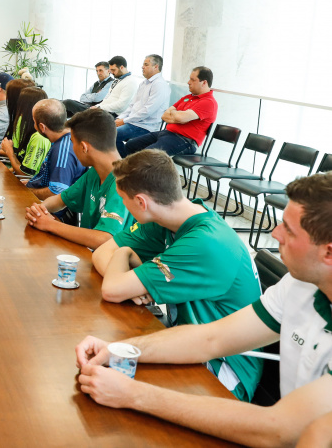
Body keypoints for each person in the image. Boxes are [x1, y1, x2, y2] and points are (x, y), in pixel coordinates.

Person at [76, 173, 332, 445]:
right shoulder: (299, 284)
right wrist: (123, 350)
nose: (274, 233)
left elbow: (277, 430)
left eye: (289, 230)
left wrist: (132, 394)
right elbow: (211, 337)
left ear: (328, 253)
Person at [89, 149, 262, 400]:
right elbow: (101, 252)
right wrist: (127, 279)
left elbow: (112, 289)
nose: (122, 204)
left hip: (224, 371)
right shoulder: (170, 219)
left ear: (141, 202)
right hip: (189, 341)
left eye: (122, 198)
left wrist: (124, 254)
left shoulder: (205, 242)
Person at [25, 109, 134, 249]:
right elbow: (61, 200)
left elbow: (105, 239)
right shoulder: (95, 172)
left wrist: (50, 224)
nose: (72, 147)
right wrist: (40, 210)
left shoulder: (123, 182)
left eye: (72, 142)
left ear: (83, 147)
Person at [125, 66, 217, 157]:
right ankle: (123, 171)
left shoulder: (208, 102)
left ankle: (141, 171)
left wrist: (175, 113)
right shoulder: (187, 97)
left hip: (184, 141)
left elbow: (180, 117)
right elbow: (164, 116)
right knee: (130, 145)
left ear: (204, 82)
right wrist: (177, 116)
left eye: (193, 80)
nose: (188, 82)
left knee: (147, 155)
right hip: (167, 133)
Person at [25, 99, 87, 203]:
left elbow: (57, 192)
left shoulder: (63, 150)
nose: (34, 126)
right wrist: (30, 183)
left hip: (46, 208)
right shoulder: (61, 140)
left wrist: (28, 191)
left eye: (34, 122)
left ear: (42, 127)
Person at [114, 54, 171, 157]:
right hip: (134, 122)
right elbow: (132, 105)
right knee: (109, 130)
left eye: (146, 64)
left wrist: (124, 121)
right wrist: (120, 118)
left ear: (156, 67)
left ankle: (124, 165)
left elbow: (147, 111)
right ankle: (126, 162)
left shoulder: (160, 85)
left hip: (146, 126)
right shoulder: (144, 83)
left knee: (112, 135)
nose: (142, 67)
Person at [0, 87, 50, 176]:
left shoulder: (39, 137)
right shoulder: (23, 123)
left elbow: (25, 174)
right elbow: (19, 158)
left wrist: (9, 150)